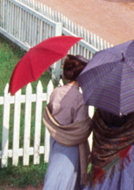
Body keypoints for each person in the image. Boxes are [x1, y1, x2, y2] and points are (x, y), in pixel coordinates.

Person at [42, 56, 91, 190]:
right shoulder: (80, 99)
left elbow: (52, 114)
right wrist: (90, 123)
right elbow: (80, 130)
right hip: (71, 148)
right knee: (67, 180)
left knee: (54, 176)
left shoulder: (56, 92)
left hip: (55, 142)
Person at [87, 108, 134, 190]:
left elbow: (96, 121)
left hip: (104, 150)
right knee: (125, 181)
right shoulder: (130, 101)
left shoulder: (103, 101)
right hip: (127, 153)